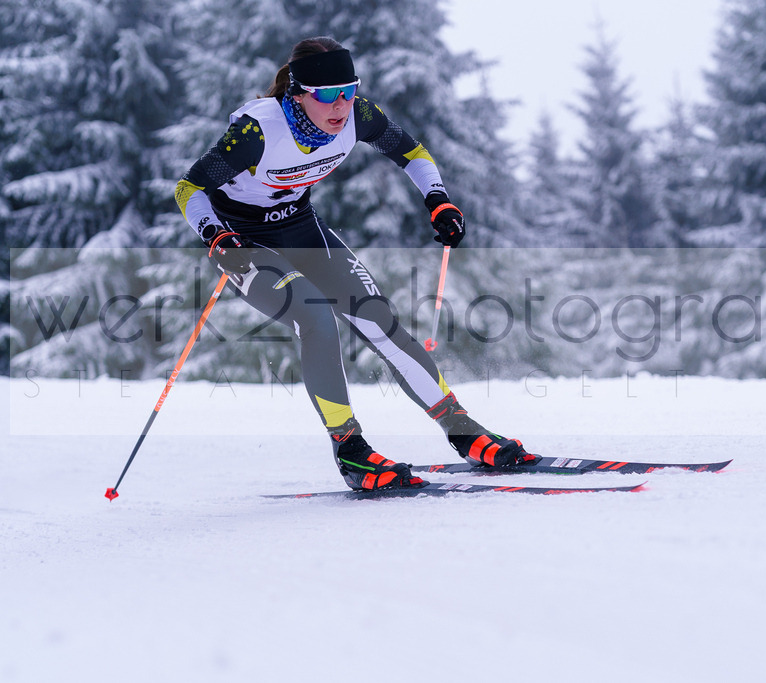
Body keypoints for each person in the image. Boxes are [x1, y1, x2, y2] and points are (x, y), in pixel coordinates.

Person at [174, 36, 536, 491]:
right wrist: (217, 236)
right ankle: (350, 450)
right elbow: (188, 190)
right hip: (243, 241)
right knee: (315, 316)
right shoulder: (256, 133)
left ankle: (463, 431)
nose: (340, 104)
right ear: (298, 93)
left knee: (377, 317)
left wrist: (438, 202)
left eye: (348, 89)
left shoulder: (358, 116)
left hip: (301, 228)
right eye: (326, 94)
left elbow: (413, 153)